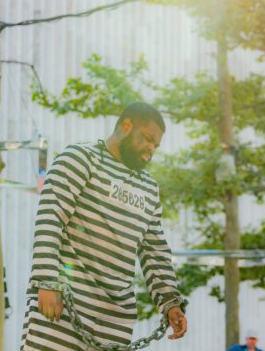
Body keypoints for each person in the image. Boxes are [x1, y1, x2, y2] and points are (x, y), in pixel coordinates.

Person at [21, 102, 187, 350]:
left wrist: (170, 301)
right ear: (126, 126)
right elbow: (50, 218)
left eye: (156, 145)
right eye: (147, 138)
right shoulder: (80, 159)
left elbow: (155, 250)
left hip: (115, 320)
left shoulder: (149, 188)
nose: (151, 149)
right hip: (63, 306)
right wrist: (46, 282)